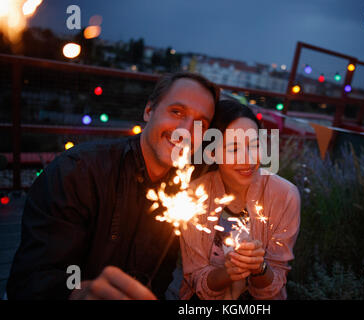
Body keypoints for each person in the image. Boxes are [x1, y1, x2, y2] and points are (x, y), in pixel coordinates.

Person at [6, 72, 219, 300]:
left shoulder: (184, 194)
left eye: (200, 124)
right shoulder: (78, 172)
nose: (186, 130)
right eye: (177, 112)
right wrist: (78, 291)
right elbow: (31, 280)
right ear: (149, 111)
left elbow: (161, 274)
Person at [179, 99, 301, 300]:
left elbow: (276, 280)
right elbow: (196, 278)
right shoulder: (194, 196)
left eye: (254, 145)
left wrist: (258, 267)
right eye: (234, 149)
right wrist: (230, 271)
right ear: (211, 152)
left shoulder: (285, 195)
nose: (249, 159)